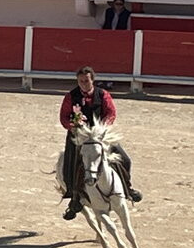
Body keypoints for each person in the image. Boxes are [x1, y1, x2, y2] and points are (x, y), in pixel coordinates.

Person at [60, 65, 140, 220]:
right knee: (70, 164)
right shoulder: (70, 96)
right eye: (81, 81)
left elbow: (111, 113)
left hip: (100, 136)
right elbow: (64, 117)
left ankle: (128, 188)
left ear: (92, 80)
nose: (83, 83)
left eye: (86, 80)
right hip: (79, 137)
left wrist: (103, 128)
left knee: (125, 159)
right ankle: (75, 198)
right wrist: (73, 127)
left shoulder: (103, 95)